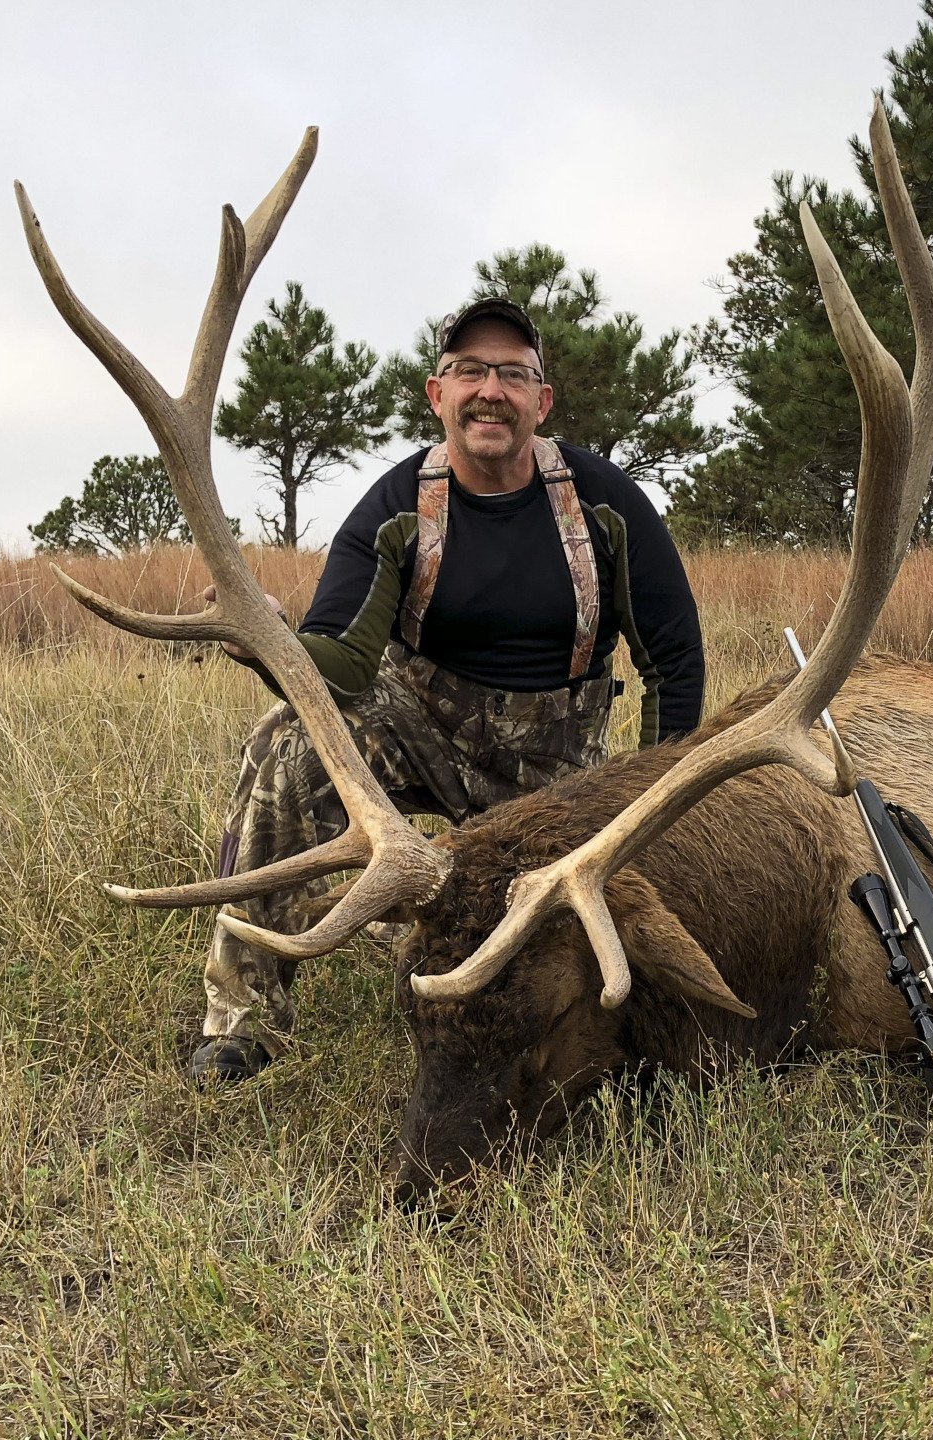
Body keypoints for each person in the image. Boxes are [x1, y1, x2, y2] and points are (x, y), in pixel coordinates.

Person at [188, 298, 704, 1083]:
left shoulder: (606, 504)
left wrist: (654, 806)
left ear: (542, 401)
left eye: (511, 374)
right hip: (422, 727)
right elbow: (344, 667)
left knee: (592, 898)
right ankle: (243, 1020)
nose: (489, 390)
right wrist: (272, 645)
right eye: (469, 371)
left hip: (559, 762)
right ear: (437, 395)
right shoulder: (399, 506)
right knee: (283, 745)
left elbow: (675, 661)